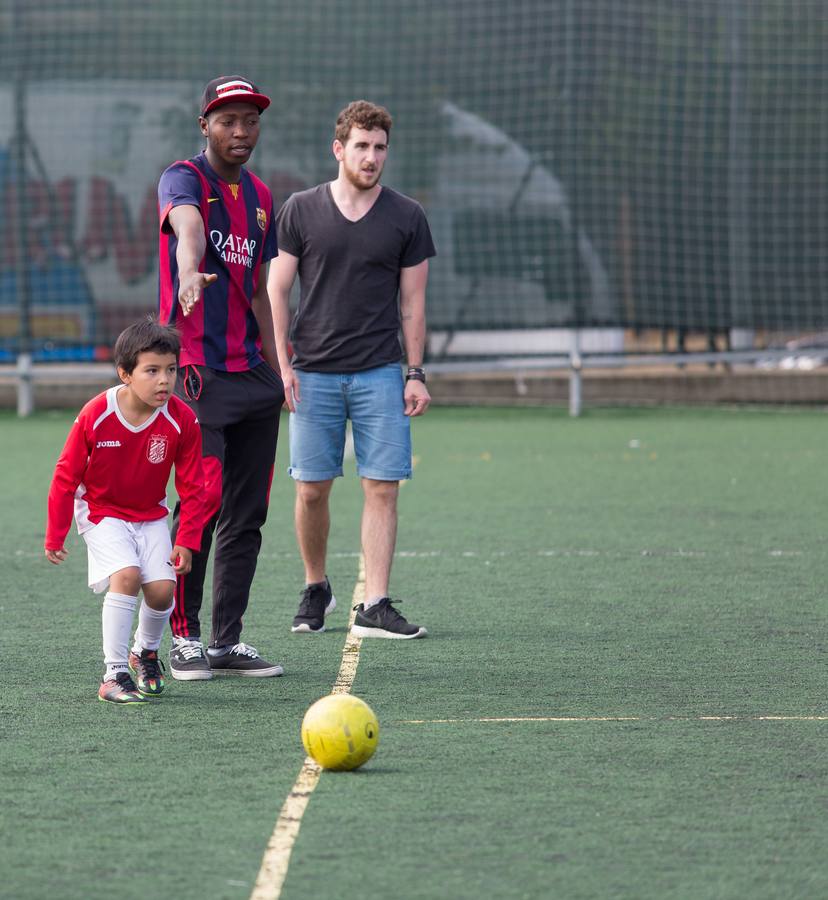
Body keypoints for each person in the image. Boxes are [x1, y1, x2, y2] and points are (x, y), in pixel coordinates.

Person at [268, 100, 435, 639]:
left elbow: (413, 304)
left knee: (382, 487)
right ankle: (316, 587)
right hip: (313, 373)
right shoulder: (300, 209)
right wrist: (284, 364)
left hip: (381, 372)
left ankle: (377, 603)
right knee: (311, 490)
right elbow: (277, 288)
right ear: (338, 149)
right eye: (361, 146)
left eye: (379, 147)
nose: (371, 156)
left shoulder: (407, 216)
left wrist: (415, 373)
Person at [157, 75, 285, 679]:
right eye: (228, 120)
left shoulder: (262, 196)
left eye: (250, 121)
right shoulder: (183, 178)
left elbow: (259, 290)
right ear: (204, 125)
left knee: (247, 513)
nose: (241, 131)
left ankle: (226, 641)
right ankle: (181, 637)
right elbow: (186, 229)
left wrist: (282, 371)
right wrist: (188, 272)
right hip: (197, 374)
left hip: (252, 375)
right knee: (199, 507)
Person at [45, 319, 205, 704]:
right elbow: (66, 476)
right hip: (101, 512)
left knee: (164, 590)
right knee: (128, 575)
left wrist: (186, 540)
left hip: (150, 514)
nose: (164, 380)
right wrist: (56, 533)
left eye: (171, 370)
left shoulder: (182, 419)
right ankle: (114, 672)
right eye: (152, 371)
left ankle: (145, 653)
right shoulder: (97, 413)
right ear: (125, 374)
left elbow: (194, 485)